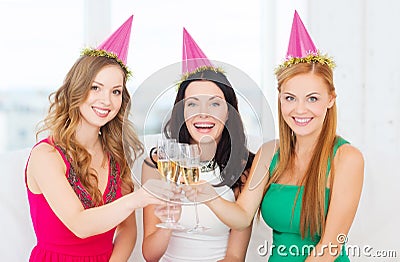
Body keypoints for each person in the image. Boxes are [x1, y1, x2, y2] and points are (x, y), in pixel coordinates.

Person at [184, 11, 364, 261]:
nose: (299, 109)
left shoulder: (347, 158)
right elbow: (242, 216)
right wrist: (206, 194)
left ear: (330, 100)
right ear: (280, 99)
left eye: (312, 98)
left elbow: (330, 247)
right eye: (290, 98)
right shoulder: (269, 153)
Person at [25, 16, 167, 261]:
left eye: (116, 92)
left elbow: (127, 230)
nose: (106, 101)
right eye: (95, 88)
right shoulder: (46, 156)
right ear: (76, 90)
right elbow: (80, 224)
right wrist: (138, 198)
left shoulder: (115, 155)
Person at [141, 28, 255, 261]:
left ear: (228, 113)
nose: (203, 114)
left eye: (214, 104)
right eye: (193, 104)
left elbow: (235, 256)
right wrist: (168, 223)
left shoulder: (244, 166)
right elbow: (149, 255)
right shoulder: (158, 163)